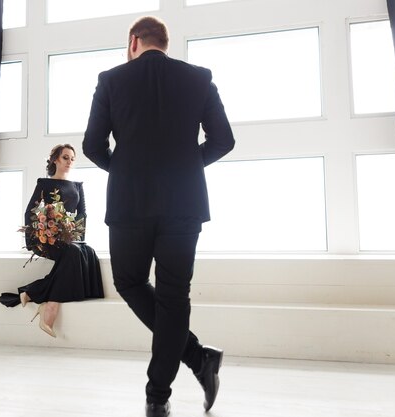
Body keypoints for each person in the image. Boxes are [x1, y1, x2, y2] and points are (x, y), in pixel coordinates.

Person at [82, 16, 235, 417]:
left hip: (130, 202)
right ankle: (162, 392)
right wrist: (184, 166)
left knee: (130, 283)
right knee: (173, 297)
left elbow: (92, 145)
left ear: (134, 41)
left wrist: (128, 169)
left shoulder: (112, 80)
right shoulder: (199, 78)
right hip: (183, 204)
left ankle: (193, 362)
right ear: (164, 43)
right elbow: (224, 140)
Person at [0, 144, 104, 338]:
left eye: (72, 158)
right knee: (73, 253)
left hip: (70, 239)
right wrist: (39, 234)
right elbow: (31, 211)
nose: (69, 162)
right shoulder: (44, 184)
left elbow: (82, 215)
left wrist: (77, 237)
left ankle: (33, 293)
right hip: (46, 238)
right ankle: (49, 310)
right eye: (65, 157)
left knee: (86, 251)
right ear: (55, 159)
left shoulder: (77, 186)